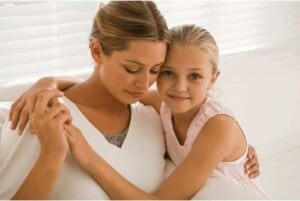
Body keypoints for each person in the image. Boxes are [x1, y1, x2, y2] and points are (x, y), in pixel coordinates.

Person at [2, 2, 260, 200]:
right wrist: (52, 152)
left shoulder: (152, 116)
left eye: (156, 69)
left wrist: (237, 154)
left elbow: (206, 130)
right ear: (96, 51)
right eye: (132, 68)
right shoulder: (44, 117)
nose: (144, 83)